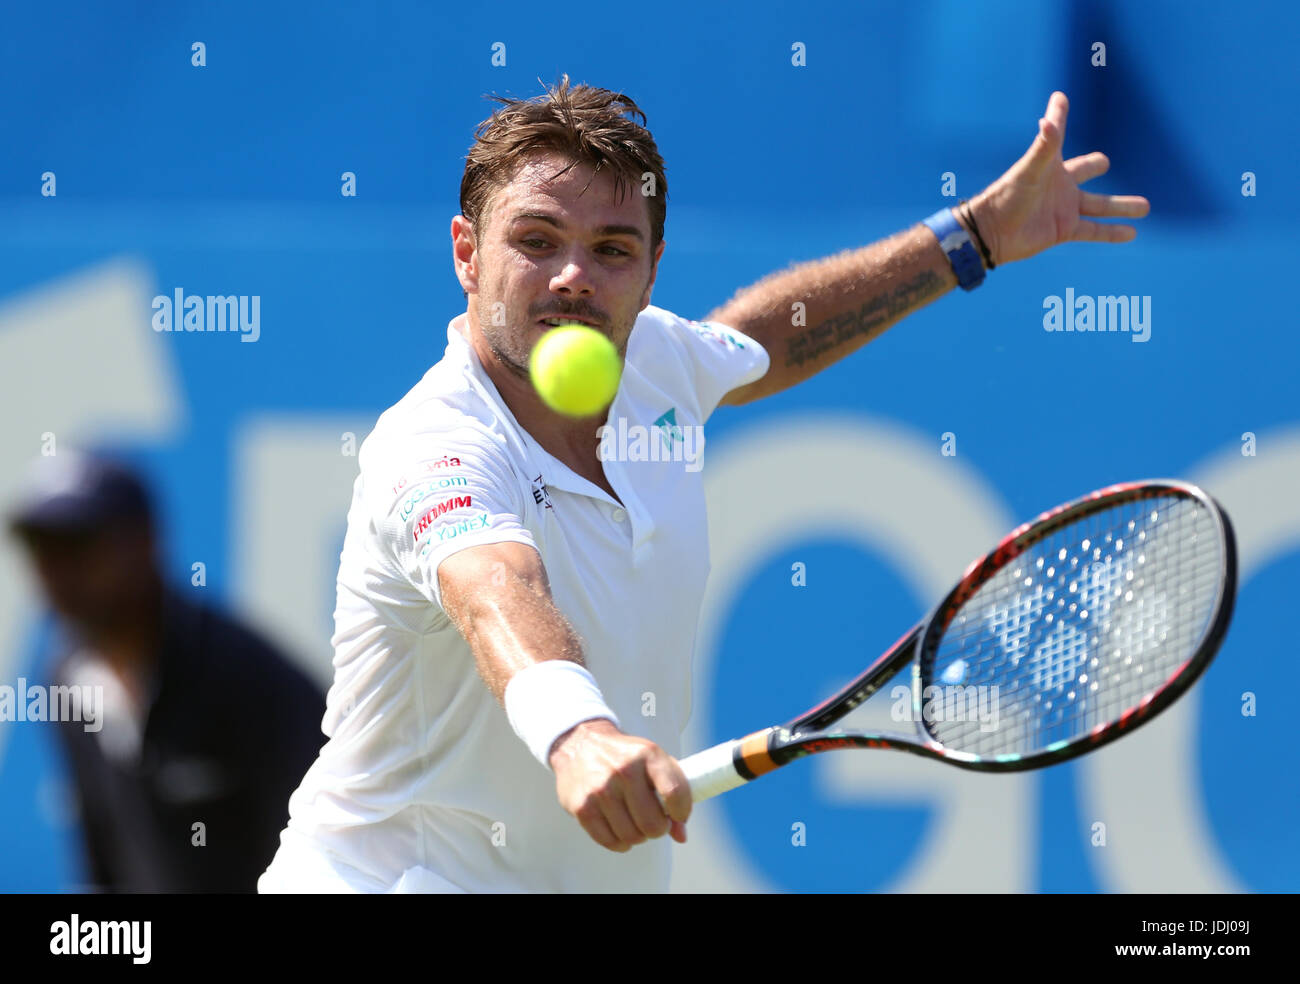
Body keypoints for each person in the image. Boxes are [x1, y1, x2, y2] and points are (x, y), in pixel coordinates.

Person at [259, 76, 1148, 893]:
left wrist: (975, 236)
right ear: (466, 252)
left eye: (613, 249)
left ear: (649, 275)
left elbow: (769, 338)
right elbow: (496, 588)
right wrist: (579, 734)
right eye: (536, 240)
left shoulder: (653, 362)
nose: (574, 275)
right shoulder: (433, 443)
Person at [8, 452, 327, 892]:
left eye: (77, 545)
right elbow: (104, 857)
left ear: (145, 543)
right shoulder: (66, 679)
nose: (55, 570)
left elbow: (329, 861)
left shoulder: (253, 681)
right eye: (40, 548)